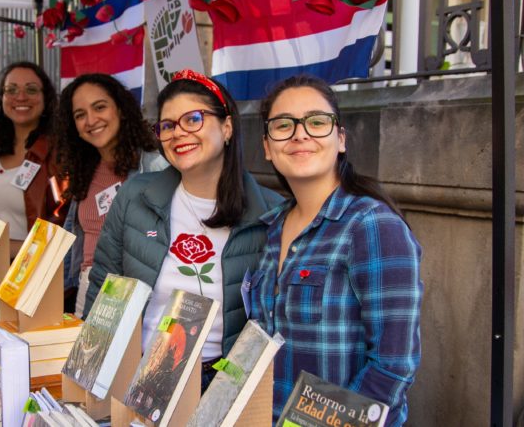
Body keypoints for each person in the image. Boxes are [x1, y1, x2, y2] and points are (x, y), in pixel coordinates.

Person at [83, 69, 283, 389]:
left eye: (193, 119)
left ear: (227, 126)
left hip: (219, 382)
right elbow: (103, 287)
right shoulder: (136, 196)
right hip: (138, 373)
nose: (178, 133)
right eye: (167, 126)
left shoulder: (271, 213)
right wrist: (89, 369)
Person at [252, 75, 422, 426]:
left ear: (340, 139)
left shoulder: (372, 226)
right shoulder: (272, 228)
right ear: (267, 147)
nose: (300, 134)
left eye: (316, 122)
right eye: (284, 125)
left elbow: (393, 367)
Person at [55, 73, 168, 316]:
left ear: (121, 109)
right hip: (89, 289)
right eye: (80, 115)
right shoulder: (84, 169)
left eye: (99, 107)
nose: (91, 120)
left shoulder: (154, 166)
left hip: (136, 293)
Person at [0, 61, 66, 255]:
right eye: (11, 90)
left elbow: (61, 229)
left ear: (46, 98)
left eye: (31, 89)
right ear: (2, 97)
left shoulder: (58, 156)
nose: (20, 97)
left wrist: (4, 249)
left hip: (27, 276)